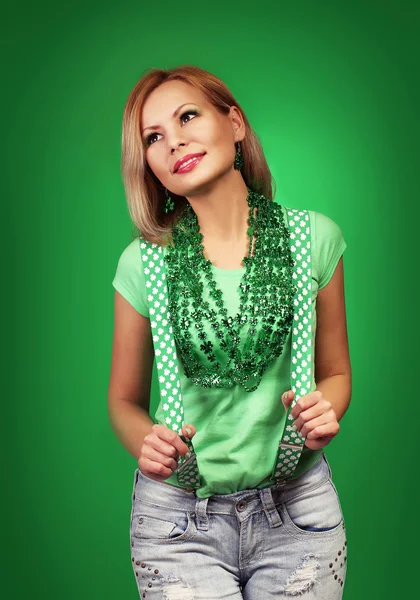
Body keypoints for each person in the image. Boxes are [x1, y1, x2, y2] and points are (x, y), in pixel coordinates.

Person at [108, 65, 351, 599]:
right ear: (148, 165)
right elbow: (123, 401)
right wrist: (146, 443)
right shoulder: (143, 263)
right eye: (154, 138)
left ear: (235, 123)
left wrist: (325, 409)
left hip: (299, 512)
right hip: (176, 524)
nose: (174, 142)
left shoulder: (314, 240)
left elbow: (335, 373)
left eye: (187, 116)